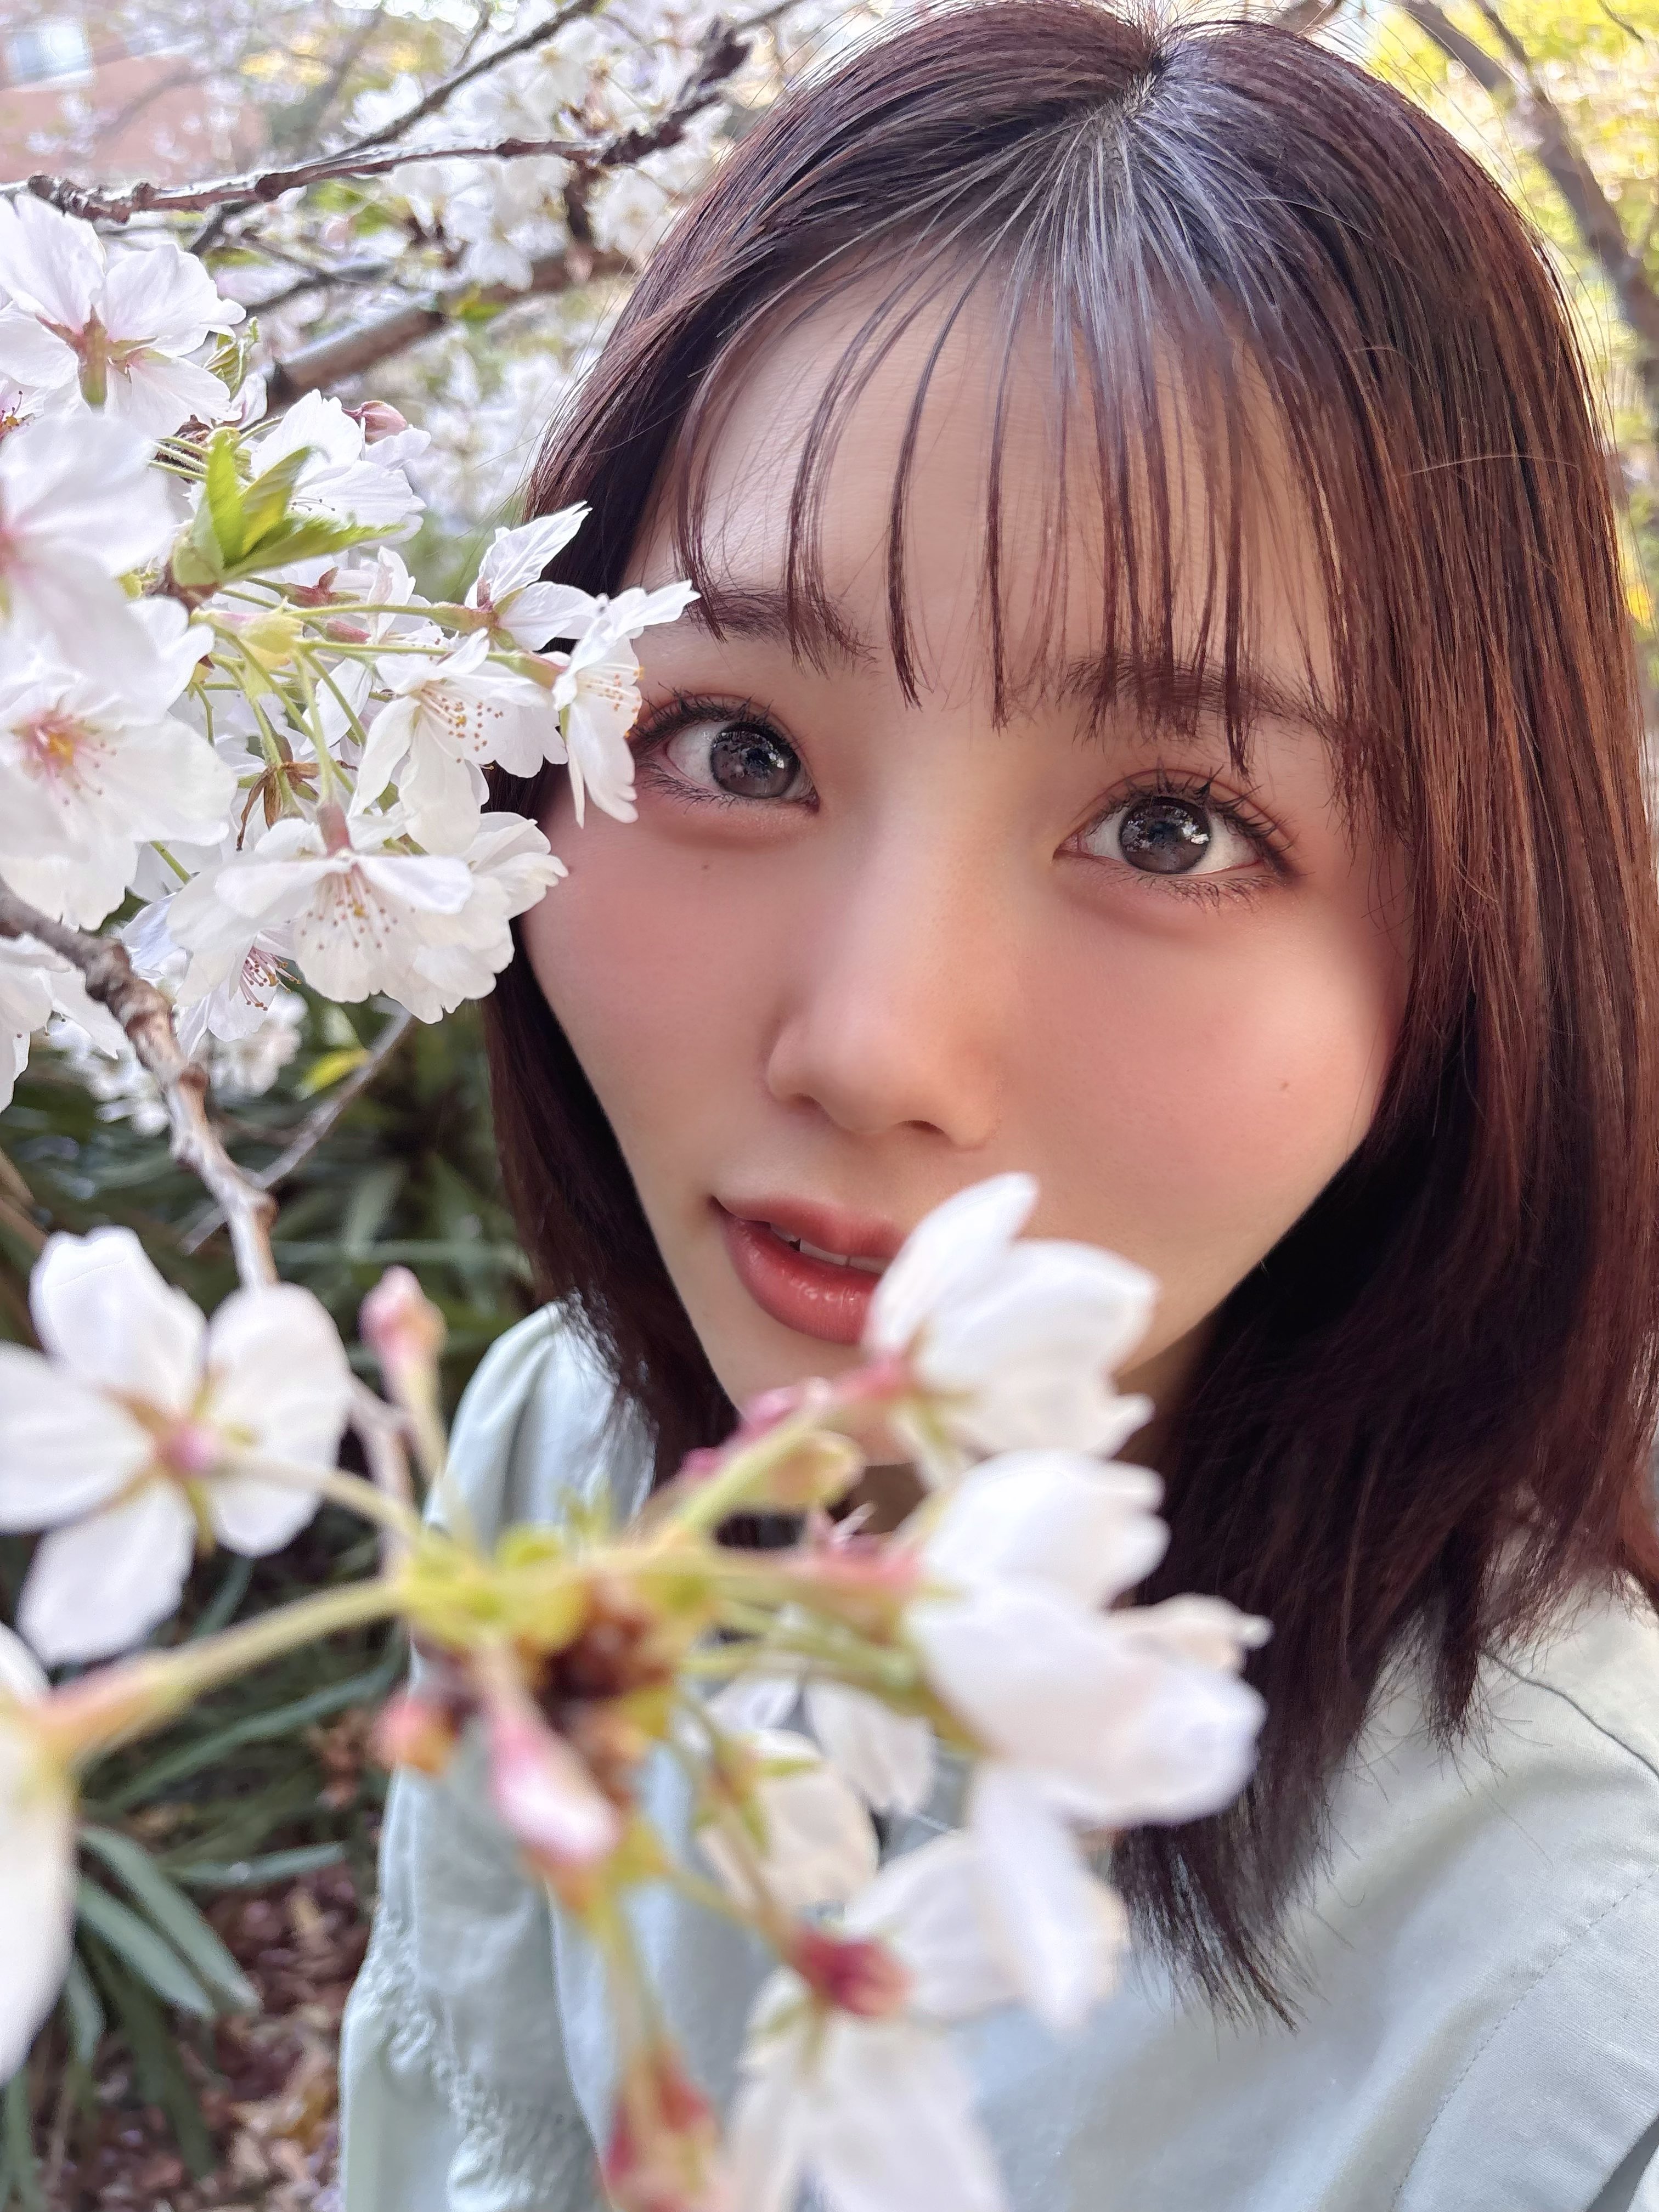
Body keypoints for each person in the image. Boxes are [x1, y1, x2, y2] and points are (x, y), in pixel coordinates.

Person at [338, 5, 1659, 2205]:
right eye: (737, 747)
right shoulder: (560, 1454)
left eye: (1170, 827)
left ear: (1475, 945)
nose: (872, 1047)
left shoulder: (1579, 2000)